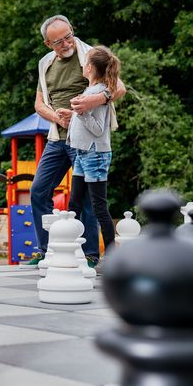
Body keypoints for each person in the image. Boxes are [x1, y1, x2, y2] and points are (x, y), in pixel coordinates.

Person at [29, 15, 126, 268]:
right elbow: (39, 104)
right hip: (58, 137)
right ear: (47, 44)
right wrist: (58, 119)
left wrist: (97, 100)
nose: (66, 43)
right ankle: (48, 250)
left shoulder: (90, 54)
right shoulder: (44, 64)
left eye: (68, 35)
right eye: (58, 41)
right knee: (38, 191)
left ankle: (91, 255)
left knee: (87, 199)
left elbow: (119, 88)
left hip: (85, 142)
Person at [66, 46, 120, 254]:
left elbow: (98, 129)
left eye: (84, 62)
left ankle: (113, 258)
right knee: (74, 203)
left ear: (89, 67)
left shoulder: (98, 93)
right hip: (82, 153)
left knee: (99, 207)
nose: (82, 64)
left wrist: (81, 113)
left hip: (95, 155)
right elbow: (84, 122)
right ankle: (69, 252)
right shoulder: (91, 92)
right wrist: (71, 115)